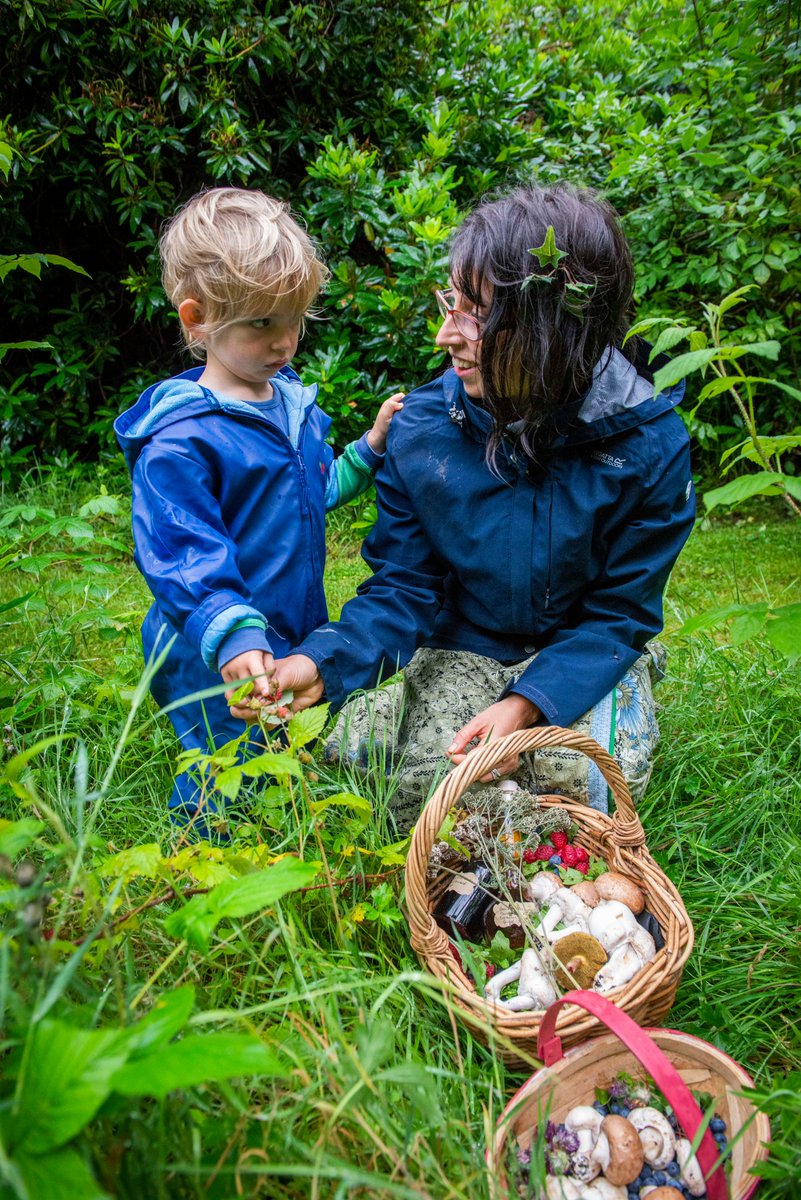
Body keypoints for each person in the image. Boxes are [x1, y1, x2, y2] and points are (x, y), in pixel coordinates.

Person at [267, 183, 696, 830]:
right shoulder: (420, 432)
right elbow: (402, 591)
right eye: (450, 302)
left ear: (554, 329)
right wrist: (321, 663)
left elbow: (618, 614)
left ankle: (624, 705)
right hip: (462, 643)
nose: (446, 336)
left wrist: (525, 703)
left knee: (575, 789)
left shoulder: (648, 444)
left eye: (475, 314)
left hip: (583, 647)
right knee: (376, 773)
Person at [115, 186, 403, 828]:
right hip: (209, 639)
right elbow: (185, 553)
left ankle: (271, 823)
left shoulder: (286, 402)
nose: (284, 342)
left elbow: (311, 489)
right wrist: (232, 633)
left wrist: (370, 449)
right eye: (262, 324)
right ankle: (196, 848)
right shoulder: (182, 440)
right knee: (222, 754)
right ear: (197, 321)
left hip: (284, 621)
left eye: (294, 320)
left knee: (272, 739)